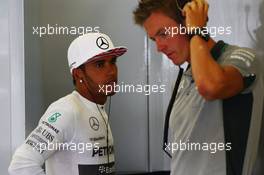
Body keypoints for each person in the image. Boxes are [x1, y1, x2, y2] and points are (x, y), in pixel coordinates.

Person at [133, 0, 264, 175]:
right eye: (154, 39)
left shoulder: (242, 58)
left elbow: (211, 86)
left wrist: (196, 30)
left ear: (187, 22)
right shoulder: (183, 78)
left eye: (163, 33)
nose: (159, 47)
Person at [8, 32, 127, 175]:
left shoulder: (96, 108)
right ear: (78, 74)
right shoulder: (66, 111)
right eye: (100, 64)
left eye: (113, 61)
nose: (111, 71)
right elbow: (21, 164)